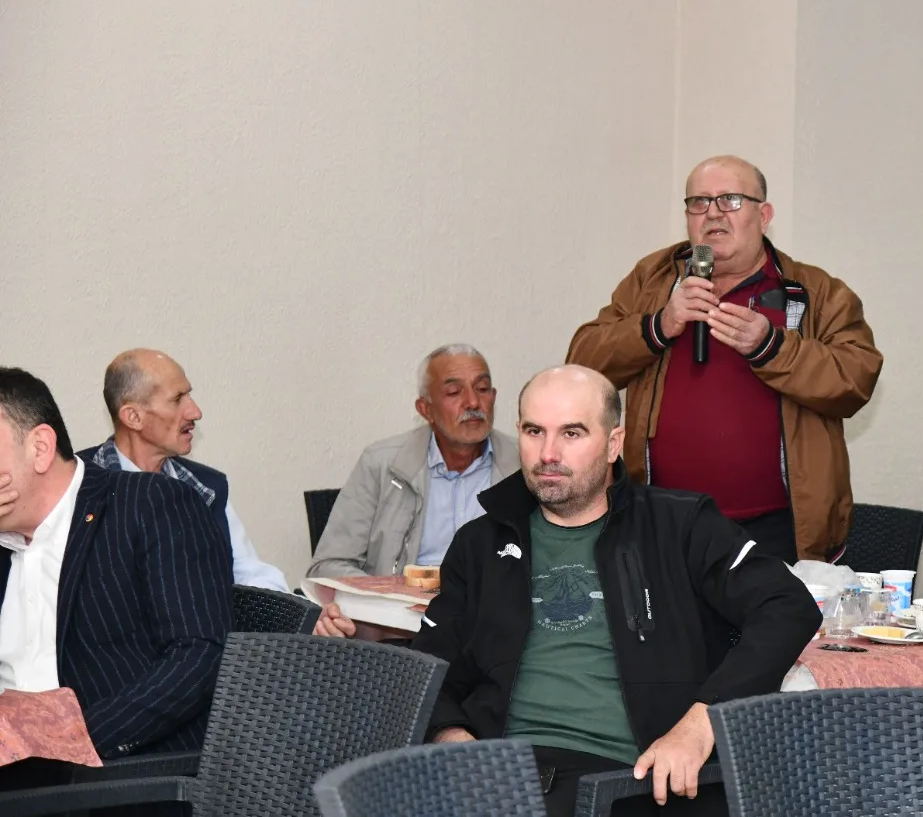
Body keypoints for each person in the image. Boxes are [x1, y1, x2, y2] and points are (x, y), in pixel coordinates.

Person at [412, 365, 819, 817]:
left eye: (571, 433)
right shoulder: (481, 543)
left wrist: (703, 723)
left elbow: (788, 607)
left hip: (629, 781)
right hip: (497, 772)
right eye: (534, 431)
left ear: (613, 443)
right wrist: (453, 740)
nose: (548, 453)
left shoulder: (679, 525)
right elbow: (429, 666)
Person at [567, 155, 882, 563]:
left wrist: (772, 347)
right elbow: (582, 366)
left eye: (730, 200)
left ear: (763, 215)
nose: (713, 213)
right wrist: (658, 325)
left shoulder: (814, 291)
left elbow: (855, 379)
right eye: (698, 202)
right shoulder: (654, 280)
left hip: (779, 529)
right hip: (664, 522)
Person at [0, 367, 231, 761]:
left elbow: (199, 655)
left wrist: (70, 739)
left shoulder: (150, 505)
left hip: (109, 771)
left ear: (40, 448)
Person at [309, 344, 518, 638]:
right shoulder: (383, 464)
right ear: (425, 409)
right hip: (402, 636)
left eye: (482, 389)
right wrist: (388, 595)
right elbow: (327, 566)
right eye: (454, 392)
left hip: (495, 633)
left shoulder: (524, 466)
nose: (473, 402)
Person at [77, 348, 288, 591]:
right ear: (133, 416)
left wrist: (299, 608)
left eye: (189, 395)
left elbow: (248, 574)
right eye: (177, 399)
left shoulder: (206, 487)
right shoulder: (75, 486)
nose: (195, 412)